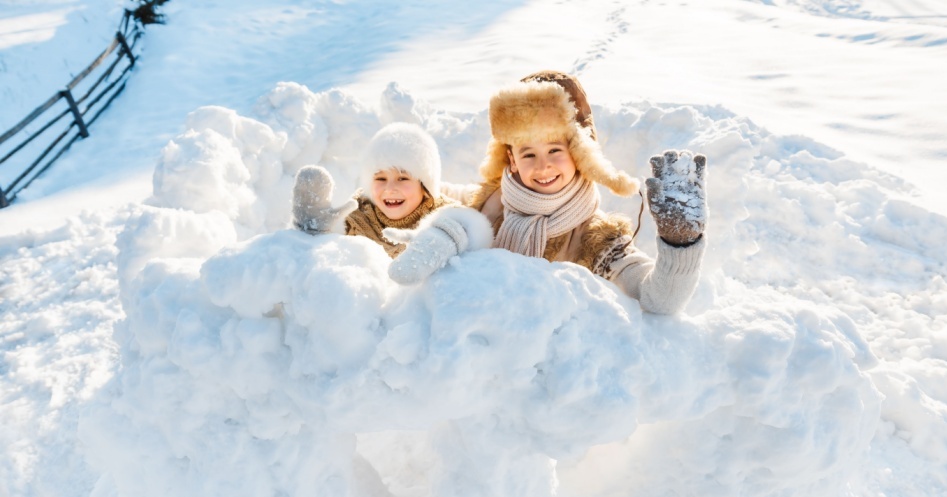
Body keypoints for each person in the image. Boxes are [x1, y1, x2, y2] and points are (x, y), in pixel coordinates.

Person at [390, 71, 707, 315]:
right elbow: (433, 196)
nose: (543, 167)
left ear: (580, 153)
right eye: (528, 153)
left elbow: (658, 299)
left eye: (555, 150)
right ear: (511, 159)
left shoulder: (595, 240)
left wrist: (680, 242)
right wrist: (396, 184)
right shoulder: (491, 201)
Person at [292, 122, 491, 261]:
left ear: (424, 186)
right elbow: (327, 258)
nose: (390, 188)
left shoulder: (444, 217)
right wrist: (319, 232)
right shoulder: (358, 216)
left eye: (403, 178)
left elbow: (473, 247)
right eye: (380, 179)